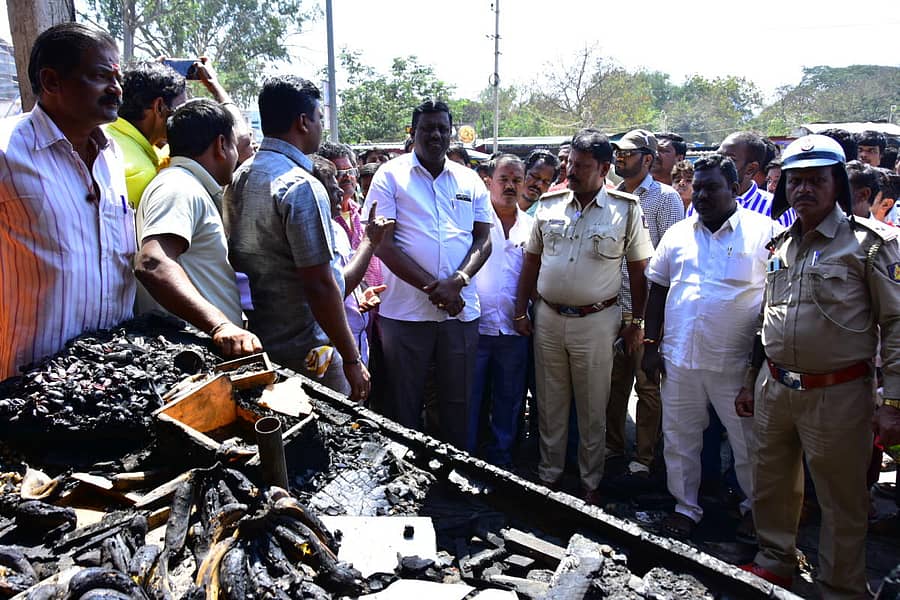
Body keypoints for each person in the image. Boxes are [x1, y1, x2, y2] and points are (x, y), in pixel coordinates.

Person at [737, 135, 900, 597]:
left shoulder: (869, 245)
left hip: (838, 391)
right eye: (796, 181)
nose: (804, 189)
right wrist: (751, 380)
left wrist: (893, 402)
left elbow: (896, 323)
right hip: (775, 386)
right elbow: (766, 318)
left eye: (816, 180)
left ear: (837, 185)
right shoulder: (781, 244)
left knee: (841, 498)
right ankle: (775, 561)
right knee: (770, 484)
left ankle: (840, 586)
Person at [641, 153, 779, 539]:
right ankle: (685, 507)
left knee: (747, 444)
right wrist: (650, 345)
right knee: (679, 437)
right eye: (697, 188)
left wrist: (759, 364)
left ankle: (755, 511)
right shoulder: (678, 234)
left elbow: (774, 300)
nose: (701, 195)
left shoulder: (765, 233)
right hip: (679, 359)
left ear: (734, 189)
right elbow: (658, 289)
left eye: (711, 188)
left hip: (736, 364)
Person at [513, 129, 653, 504]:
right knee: (549, 403)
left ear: (604, 169)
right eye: (570, 163)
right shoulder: (549, 204)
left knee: (593, 407)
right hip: (547, 318)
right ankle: (549, 475)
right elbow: (531, 262)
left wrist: (636, 323)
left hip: (597, 322)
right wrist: (520, 310)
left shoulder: (625, 209)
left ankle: (590, 482)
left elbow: (640, 273)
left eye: (582, 166)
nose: (571, 171)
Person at [0, 23, 136, 381]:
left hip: (113, 374)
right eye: (101, 76)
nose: (116, 88)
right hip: (31, 384)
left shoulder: (112, 155)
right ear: (51, 81)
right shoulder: (7, 150)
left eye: (117, 78)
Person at [224, 76, 369, 400]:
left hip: (262, 343)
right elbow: (319, 285)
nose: (321, 127)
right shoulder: (301, 186)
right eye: (319, 118)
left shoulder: (241, 175)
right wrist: (352, 358)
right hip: (311, 353)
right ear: (303, 122)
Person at [367, 100, 492, 449]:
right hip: (405, 315)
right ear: (413, 132)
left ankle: (453, 475)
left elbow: (484, 240)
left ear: (451, 133)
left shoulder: (469, 179)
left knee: (456, 405)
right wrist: (437, 290)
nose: (435, 135)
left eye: (442, 128)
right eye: (427, 128)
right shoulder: (389, 176)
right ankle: (404, 473)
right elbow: (383, 245)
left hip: (459, 315)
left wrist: (458, 282)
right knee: (402, 405)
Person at [134, 98, 259, 357]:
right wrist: (220, 325)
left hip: (203, 349)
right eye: (234, 145)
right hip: (190, 353)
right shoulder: (179, 187)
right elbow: (152, 262)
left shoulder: (187, 185)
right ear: (221, 145)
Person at [606, 129, 683, 477]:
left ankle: (646, 457)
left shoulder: (666, 199)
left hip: (648, 308)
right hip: (611, 306)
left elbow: (672, 260)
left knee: (647, 385)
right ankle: (613, 446)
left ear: (648, 159)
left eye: (628, 153)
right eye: (618, 154)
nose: (619, 159)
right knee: (613, 384)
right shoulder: (611, 195)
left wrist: (652, 321)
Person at [468, 154, 533, 466]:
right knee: (470, 398)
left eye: (516, 180)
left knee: (509, 399)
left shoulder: (532, 226)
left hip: (514, 328)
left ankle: (501, 461)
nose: (510, 186)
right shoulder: (473, 223)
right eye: (503, 179)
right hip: (475, 327)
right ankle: (465, 458)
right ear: (488, 182)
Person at [312, 156, 388, 365]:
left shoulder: (344, 223)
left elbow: (344, 275)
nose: (340, 191)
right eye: (333, 184)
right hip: (333, 347)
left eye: (349, 171)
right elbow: (333, 288)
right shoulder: (316, 232)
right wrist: (369, 241)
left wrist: (360, 294)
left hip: (361, 333)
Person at [107, 61, 186, 208]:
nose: (185, 117)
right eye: (180, 110)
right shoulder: (140, 173)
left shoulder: (104, 133)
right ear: (160, 107)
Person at [319, 141, 382, 288]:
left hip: (375, 297)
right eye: (339, 173)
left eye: (350, 171)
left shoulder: (363, 213)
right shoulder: (323, 218)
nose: (347, 177)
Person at [718, 131, 796, 227]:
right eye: (719, 157)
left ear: (751, 168)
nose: (720, 164)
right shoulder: (706, 201)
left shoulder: (776, 209)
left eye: (730, 160)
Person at [518, 149, 560, 216]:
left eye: (546, 182)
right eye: (535, 177)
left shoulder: (547, 215)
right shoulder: (502, 202)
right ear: (523, 172)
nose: (539, 185)